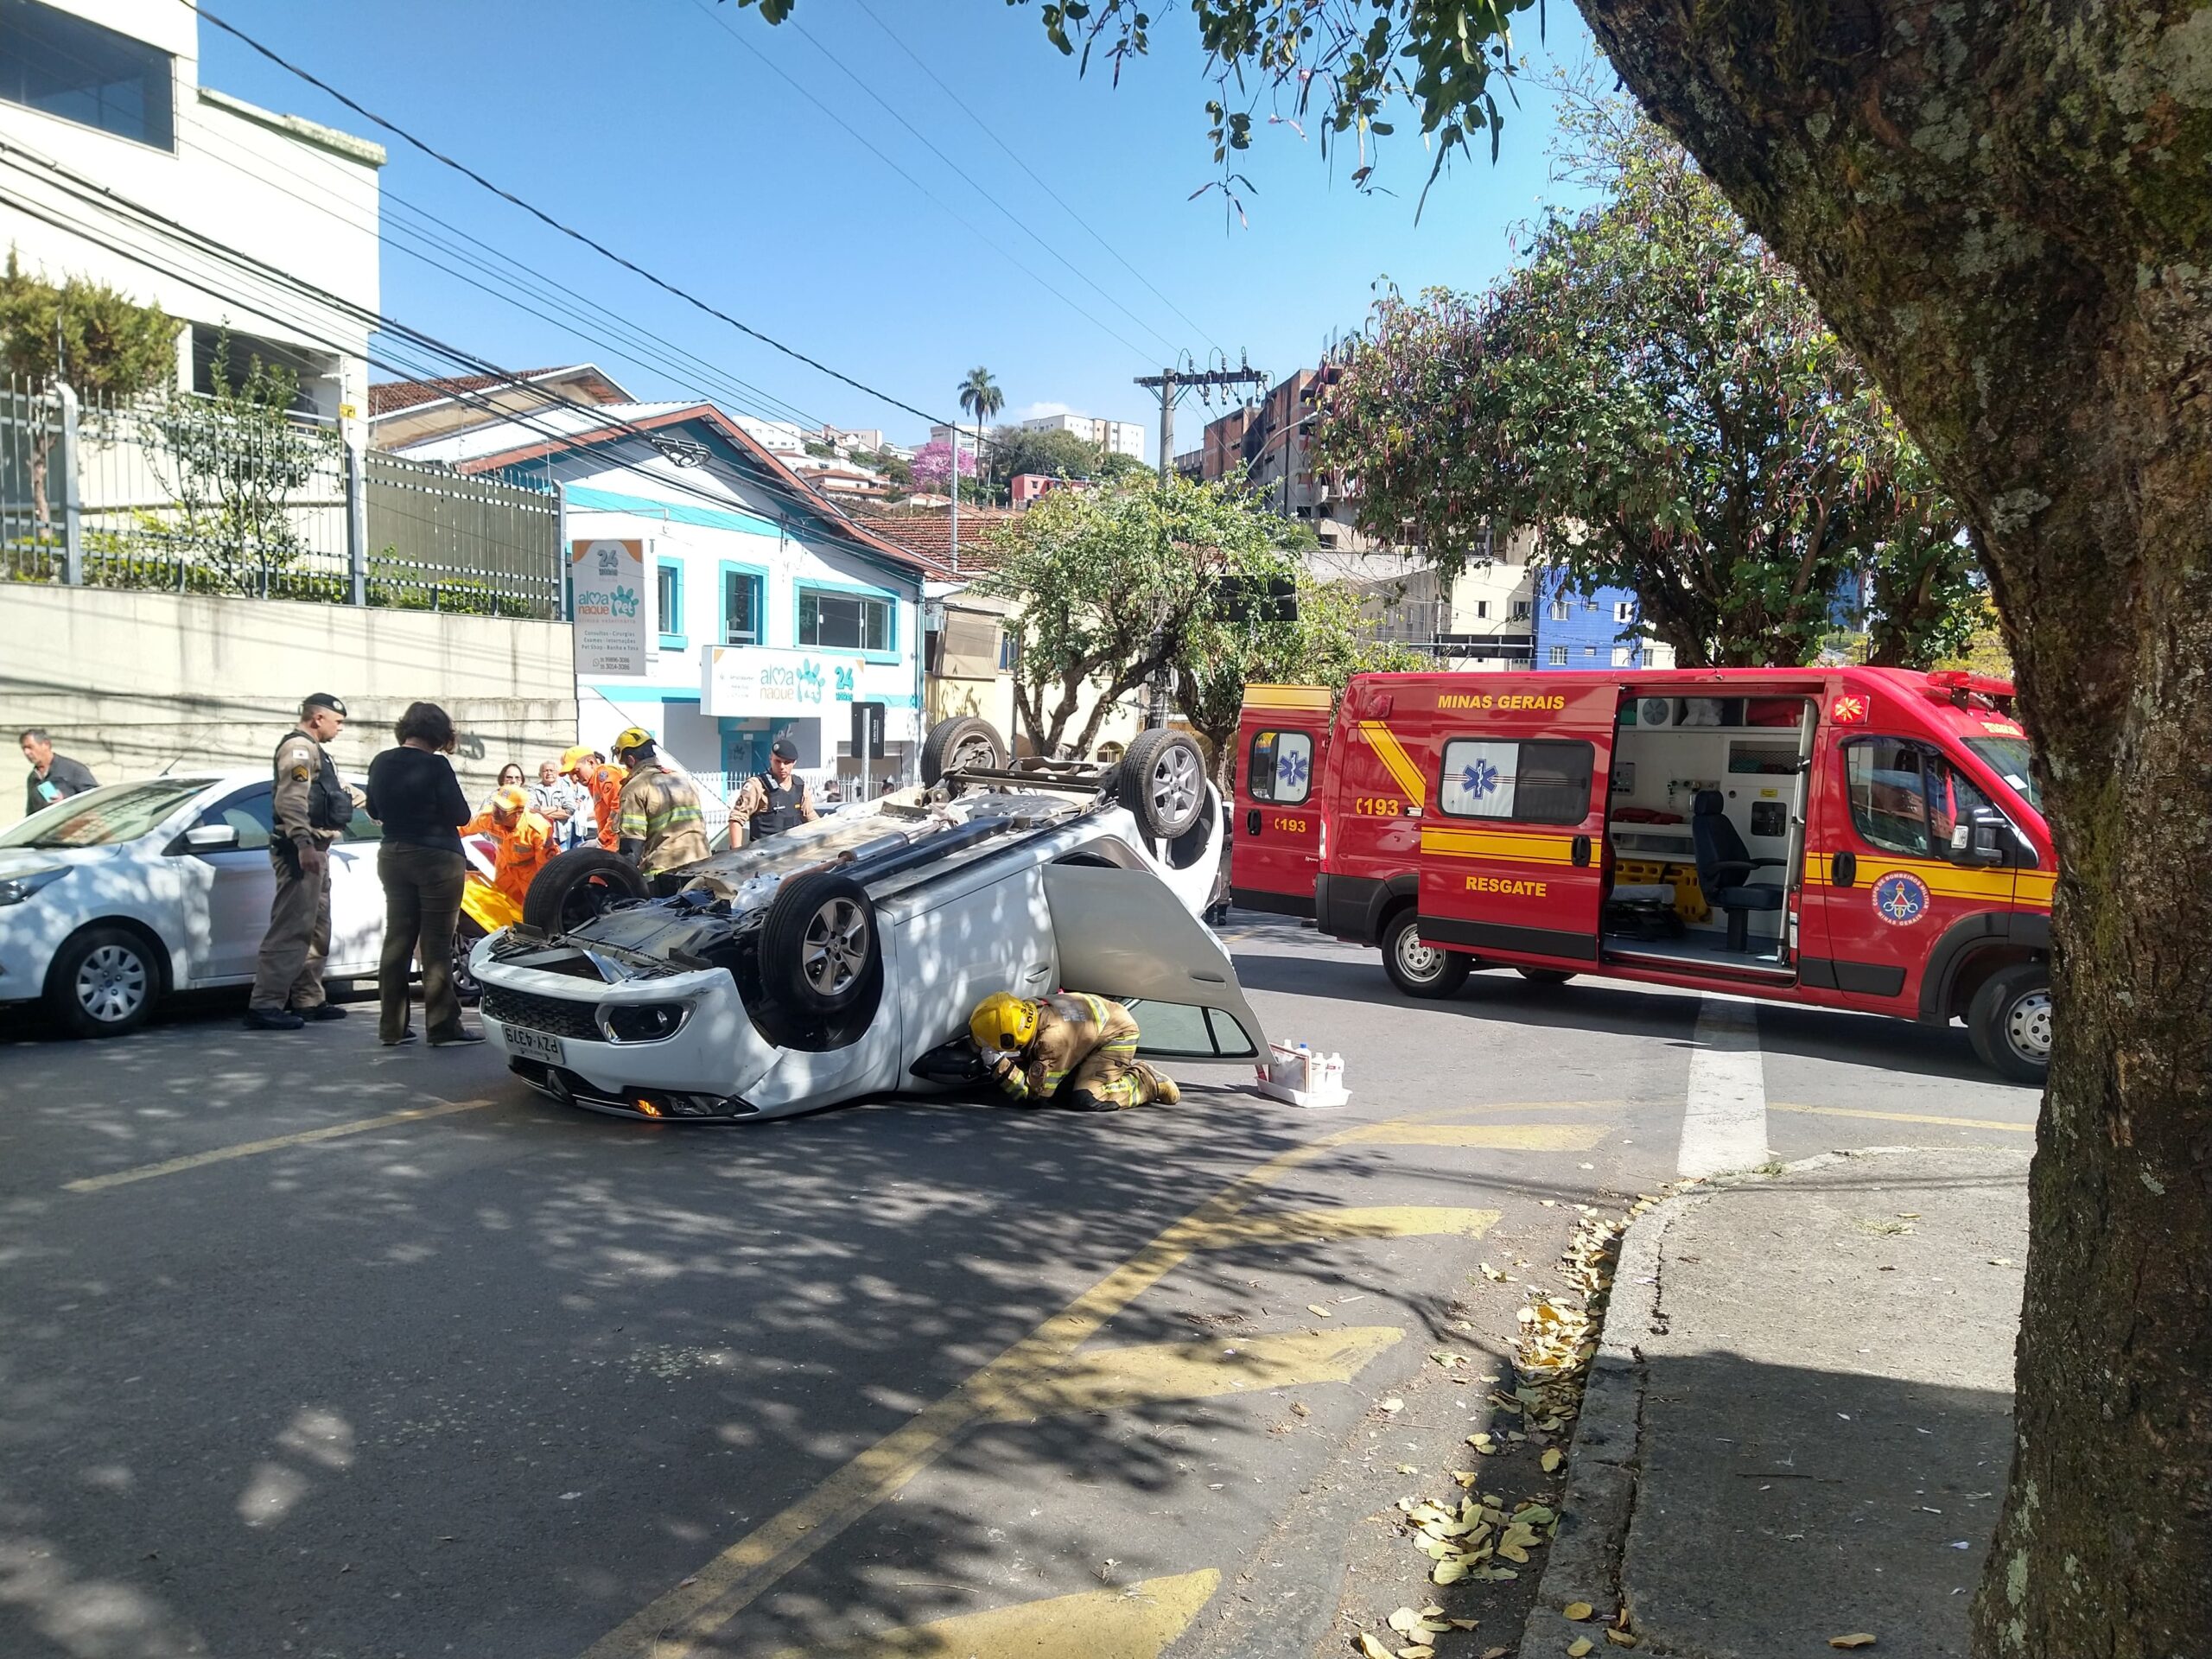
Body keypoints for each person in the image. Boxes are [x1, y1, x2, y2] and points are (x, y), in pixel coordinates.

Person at [365, 701, 478, 1047]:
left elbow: (373, 809)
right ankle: (443, 1026)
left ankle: (392, 1027)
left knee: (397, 940)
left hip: (393, 853)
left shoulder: (381, 761)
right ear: (439, 733)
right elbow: (461, 815)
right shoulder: (436, 766)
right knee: (436, 943)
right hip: (436, 857)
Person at [245, 692, 357, 1032]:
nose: (339, 729)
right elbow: (291, 800)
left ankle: (308, 998)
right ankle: (265, 1004)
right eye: (337, 722)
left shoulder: (316, 751)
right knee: (291, 928)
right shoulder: (299, 750)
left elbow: (329, 793)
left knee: (316, 929)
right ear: (317, 718)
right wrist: (304, 844)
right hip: (300, 852)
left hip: (318, 849)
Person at [967, 990, 1180, 1112]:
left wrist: (997, 1063)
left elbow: (1034, 1098)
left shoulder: (1052, 1043)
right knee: (1062, 1088)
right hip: (1093, 1027)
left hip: (1117, 1034)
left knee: (1086, 1098)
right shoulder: (1025, 1009)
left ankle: (1146, 1080)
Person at [611, 727, 710, 879]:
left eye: (625, 764)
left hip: (666, 871)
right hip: (703, 865)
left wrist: (621, 879)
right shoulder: (682, 780)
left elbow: (632, 846)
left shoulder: (635, 788)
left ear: (631, 760)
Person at [461, 785, 559, 910]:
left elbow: (547, 870)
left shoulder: (538, 829)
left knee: (534, 908)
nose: (495, 812)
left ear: (518, 812)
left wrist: (543, 892)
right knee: (501, 906)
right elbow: (461, 829)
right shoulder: (488, 817)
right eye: (495, 805)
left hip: (531, 873)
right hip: (505, 868)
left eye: (503, 810)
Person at [728, 735, 820, 844]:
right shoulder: (757, 786)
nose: (782, 766)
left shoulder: (799, 786)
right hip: (763, 855)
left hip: (792, 853)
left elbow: (811, 818)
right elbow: (736, 819)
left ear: (794, 762)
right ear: (770, 758)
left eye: (787, 762)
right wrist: (736, 853)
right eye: (778, 761)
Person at [562, 746, 627, 852]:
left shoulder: (604, 774)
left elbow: (618, 808)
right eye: (570, 775)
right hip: (617, 842)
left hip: (623, 842)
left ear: (591, 763)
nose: (575, 778)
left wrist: (601, 840)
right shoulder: (593, 783)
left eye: (576, 771)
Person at [20, 728, 97, 818]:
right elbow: (31, 814)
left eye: (30, 747)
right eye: (24, 748)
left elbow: (95, 800)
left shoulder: (73, 769)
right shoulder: (33, 778)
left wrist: (66, 801)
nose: (27, 753)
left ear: (46, 744)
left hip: (77, 828)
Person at [529, 759, 584, 850]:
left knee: (562, 862)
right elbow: (531, 810)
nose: (549, 773)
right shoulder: (533, 789)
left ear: (557, 773)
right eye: (545, 771)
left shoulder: (566, 789)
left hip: (561, 836)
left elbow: (569, 812)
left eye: (552, 770)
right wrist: (557, 808)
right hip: (540, 835)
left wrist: (541, 811)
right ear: (540, 774)